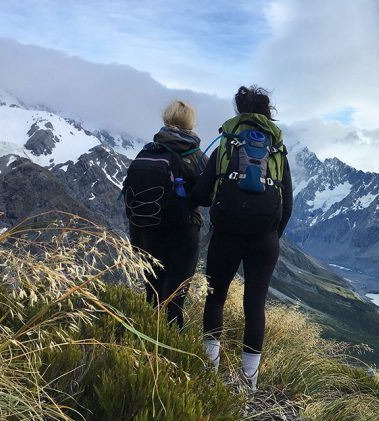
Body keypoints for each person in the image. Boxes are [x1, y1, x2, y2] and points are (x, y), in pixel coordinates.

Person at [192, 85, 293, 390]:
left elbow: (201, 194)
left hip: (226, 235)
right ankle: (248, 385)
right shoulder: (277, 149)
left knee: (216, 298)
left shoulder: (227, 144)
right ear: (267, 114)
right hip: (264, 239)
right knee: (255, 305)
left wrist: (224, 204)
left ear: (239, 111)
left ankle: (210, 374)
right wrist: (271, 234)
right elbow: (287, 204)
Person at [124, 100, 207, 329]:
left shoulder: (149, 150)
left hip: (147, 230)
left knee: (152, 294)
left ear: (166, 119)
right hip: (184, 231)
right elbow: (208, 196)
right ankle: (168, 354)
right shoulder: (195, 155)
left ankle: (144, 345)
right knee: (175, 299)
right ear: (191, 123)